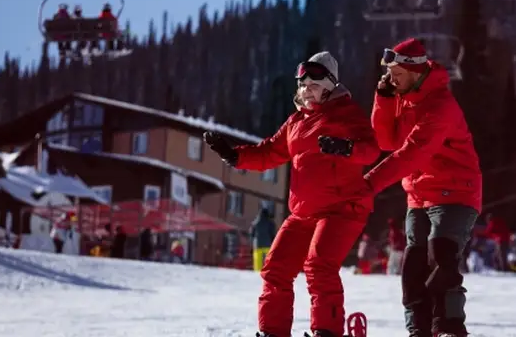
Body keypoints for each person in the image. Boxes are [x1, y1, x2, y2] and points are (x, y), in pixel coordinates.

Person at [203, 51, 380, 337]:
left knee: (319, 264)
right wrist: (233, 155)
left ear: (330, 85)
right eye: (303, 84)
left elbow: (371, 150)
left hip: (343, 208)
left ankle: (327, 331)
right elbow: (269, 152)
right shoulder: (296, 122)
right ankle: (273, 332)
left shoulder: (347, 114)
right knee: (275, 269)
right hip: (303, 212)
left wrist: (346, 148)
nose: (307, 89)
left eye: (314, 83)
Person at [363, 38, 482, 337]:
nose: (390, 79)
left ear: (414, 71)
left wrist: (369, 183)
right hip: (418, 196)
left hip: (455, 193)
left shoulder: (441, 104)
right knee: (413, 269)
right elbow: (386, 141)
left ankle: (449, 328)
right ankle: (418, 330)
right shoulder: (403, 96)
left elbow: (412, 152)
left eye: (395, 74)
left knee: (440, 259)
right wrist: (384, 98)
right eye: (388, 75)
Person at [250, 207, 276, 272]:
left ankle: (257, 271)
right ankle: (267, 271)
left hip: (257, 244)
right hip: (267, 244)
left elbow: (251, 233)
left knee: (257, 260)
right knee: (267, 260)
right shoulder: (270, 223)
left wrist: (252, 241)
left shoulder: (255, 222)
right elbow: (272, 234)